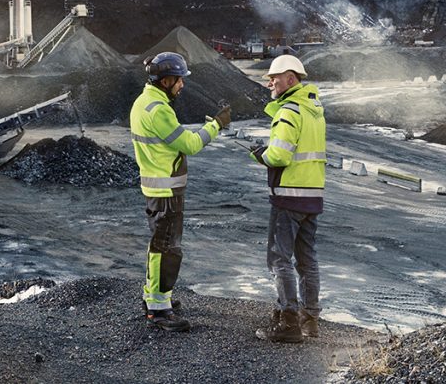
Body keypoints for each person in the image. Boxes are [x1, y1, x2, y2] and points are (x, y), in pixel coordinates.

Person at [130, 51, 230, 332]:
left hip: (156, 186)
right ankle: (159, 311)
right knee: (167, 248)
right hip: (166, 191)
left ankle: (155, 299)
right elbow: (191, 144)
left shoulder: (144, 102)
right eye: (179, 80)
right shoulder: (159, 110)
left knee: (158, 245)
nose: (182, 85)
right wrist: (217, 125)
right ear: (165, 81)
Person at [249, 54, 326, 343]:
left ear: (290, 79)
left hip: (288, 198)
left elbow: (279, 155)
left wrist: (260, 154)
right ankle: (310, 321)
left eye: (275, 77)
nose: (270, 82)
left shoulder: (289, 111)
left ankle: (288, 321)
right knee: (307, 260)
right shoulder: (314, 111)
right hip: (312, 197)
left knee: (279, 259)